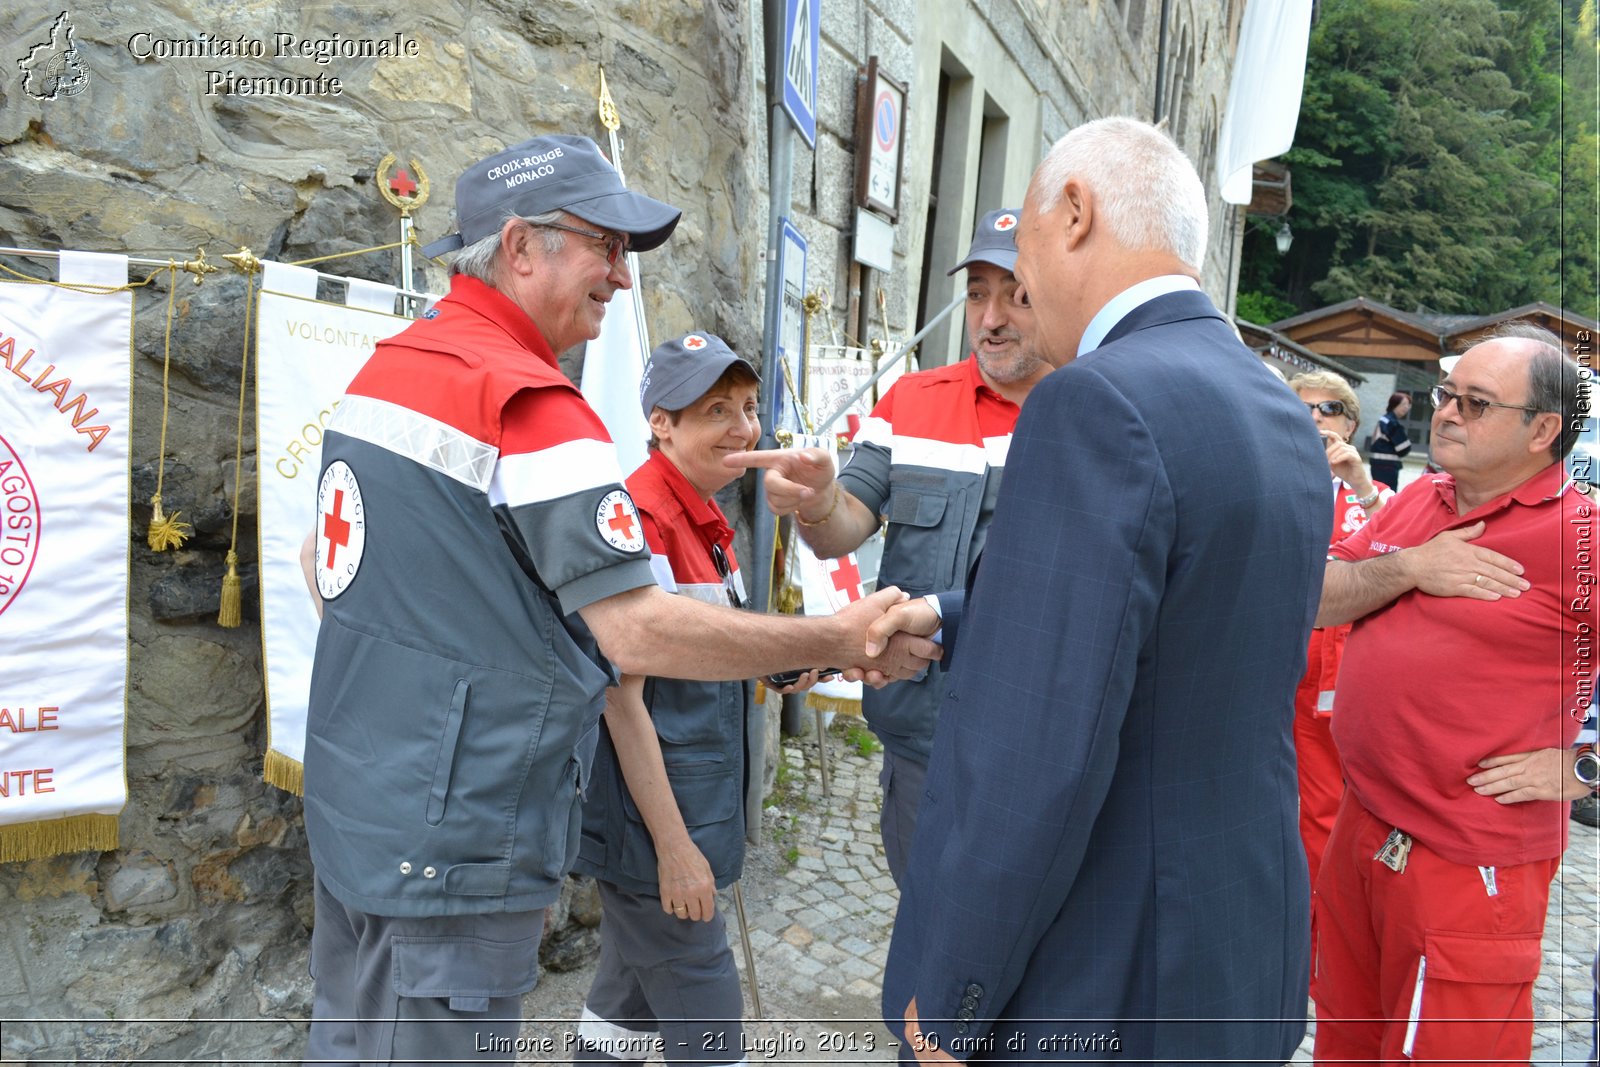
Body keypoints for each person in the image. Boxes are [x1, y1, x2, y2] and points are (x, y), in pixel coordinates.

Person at [298, 135, 934, 1065]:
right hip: (455, 849)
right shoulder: (530, 403)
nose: (622, 279)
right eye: (605, 247)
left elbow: (325, 568)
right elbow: (632, 631)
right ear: (522, 247)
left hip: (360, 813)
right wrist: (840, 635)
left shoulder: (387, 368)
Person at [868, 117, 1330, 1063]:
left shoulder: (1095, 399)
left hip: (1109, 967)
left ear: (1073, 213)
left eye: (1024, 250)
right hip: (1236, 949)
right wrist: (955, 614)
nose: (1019, 290)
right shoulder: (1275, 407)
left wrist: (955, 990)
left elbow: (1037, 748)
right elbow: (1184, 613)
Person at [727, 207, 1050, 884]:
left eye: (1017, 294)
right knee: (924, 926)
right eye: (978, 294)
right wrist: (817, 500)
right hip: (919, 741)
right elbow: (844, 525)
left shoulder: (1086, 413)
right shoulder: (911, 398)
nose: (991, 317)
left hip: (1031, 747)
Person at [1311, 325, 1594, 1065]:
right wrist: (1408, 567)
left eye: (1476, 402)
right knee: (1348, 1038)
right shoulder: (1421, 501)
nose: (1447, 413)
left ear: (1543, 429)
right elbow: (1317, 597)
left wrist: (1585, 766)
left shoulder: (1580, 534)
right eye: (1446, 395)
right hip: (1363, 823)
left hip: (1467, 862)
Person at [570, 333, 823, 1064]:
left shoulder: (703, 511)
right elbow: (622, 699)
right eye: (716, 409)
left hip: (692, 808)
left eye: (747, 407)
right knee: (710, 1026)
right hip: (659, 829)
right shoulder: (642, 519)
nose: (744, 428)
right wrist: (676, 850)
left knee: (625, 1003)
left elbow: (708, 642)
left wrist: (775, 666)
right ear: (661, 422)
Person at [1286, 370, 1393, 895]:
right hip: (1268, 654)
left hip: (1335, 664)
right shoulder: (1263, 473)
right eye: (1300, 406)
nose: (1312, 418)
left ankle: (1315, 937)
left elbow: (1400, 549)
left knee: (1324, 802)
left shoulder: (1372, 493)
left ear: (1350, 424)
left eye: (1327, 409)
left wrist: (1361, 483)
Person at [1368, 390, 1413, 489]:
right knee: (1387, 496)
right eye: (1404, 404)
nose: (1407, 407)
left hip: (1379, 465)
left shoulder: (1385, 419)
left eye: (1408, 405)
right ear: (1394, 404)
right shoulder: (1391, 422)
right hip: (1386, 467)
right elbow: (1404, 448)